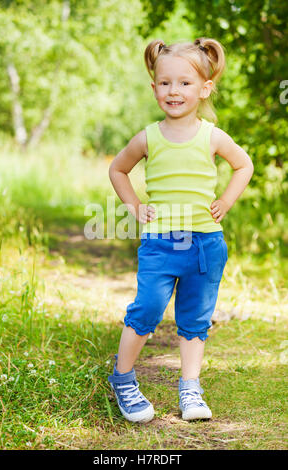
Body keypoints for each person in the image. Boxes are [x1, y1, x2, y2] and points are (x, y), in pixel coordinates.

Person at [107, 37, 254, 423]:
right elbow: (117, 169)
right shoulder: (148, 137)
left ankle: (190, 387)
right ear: (154, 86)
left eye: (185, 83)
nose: (174, 91)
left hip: (206, 244)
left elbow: (244, 165)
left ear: (205, 88)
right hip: (161, 243)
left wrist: (226, 200)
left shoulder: (212, 136)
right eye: (165, 82)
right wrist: (134, 206)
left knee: (194, 319)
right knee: (148, 309)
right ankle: (122, 378)